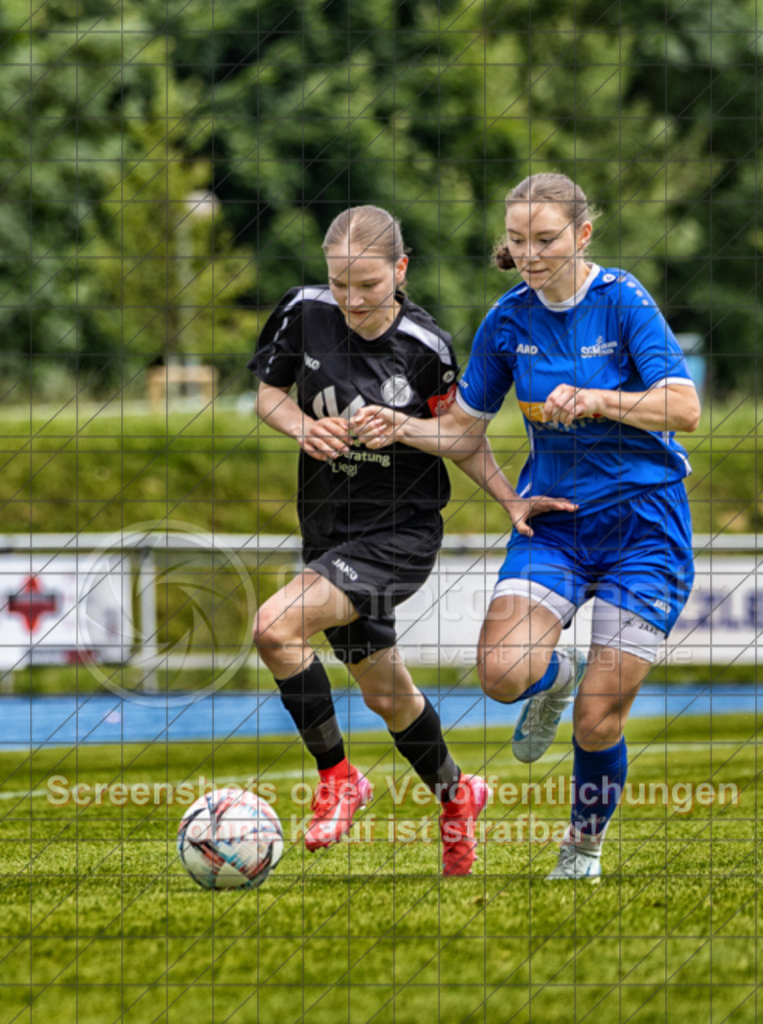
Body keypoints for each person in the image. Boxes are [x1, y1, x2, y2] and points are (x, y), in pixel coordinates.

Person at [351, 173, 701, 880]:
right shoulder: (507, 321)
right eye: (517, 240)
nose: (531, 254)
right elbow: (460, 433)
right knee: (502, 676)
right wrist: (400, 427)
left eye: (545, 239)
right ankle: (554, 674)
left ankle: (581, 849)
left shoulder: (623, 299)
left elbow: (683, 408)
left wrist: (601, 400)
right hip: (558, 523)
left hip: (644, 526)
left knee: (598, 720)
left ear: (581, 235)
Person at [248, 204, 516, 875]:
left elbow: (462, 438)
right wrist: (304, 429)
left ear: (399, 270)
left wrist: (511, 500)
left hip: (398, 535)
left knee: (274, 628)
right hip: (327, 530)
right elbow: (268, 396)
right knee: (385, 694)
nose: (351, 299)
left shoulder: (424, 348)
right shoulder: (302, 311)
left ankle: (338, 777)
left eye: (366, 284)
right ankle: (458, 797)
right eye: (339, 284)